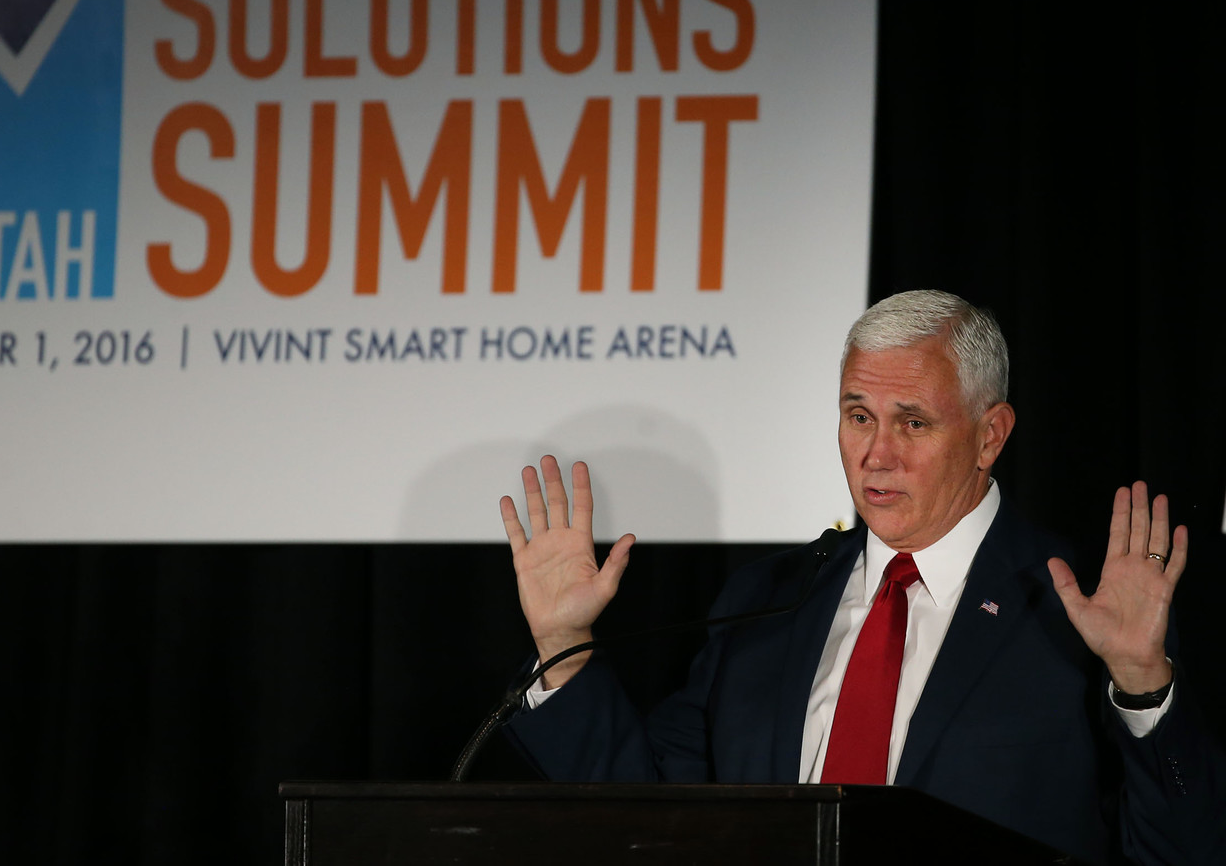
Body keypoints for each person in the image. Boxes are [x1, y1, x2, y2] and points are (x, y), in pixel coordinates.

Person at [499, 290, 1224, 866]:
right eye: (858, 416)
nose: (877, 455)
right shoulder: (765, 599)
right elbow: (652, 815)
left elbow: (1183, 848)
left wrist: (1143, 687)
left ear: (990, 436)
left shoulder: (1082, 609)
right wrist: (564, 645)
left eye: (913, 423)